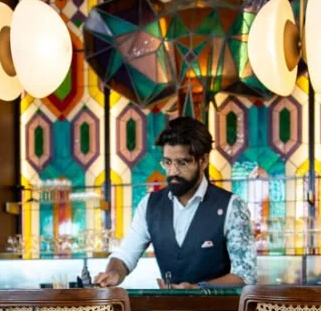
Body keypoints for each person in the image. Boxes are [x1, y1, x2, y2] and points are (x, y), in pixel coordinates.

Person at [94, 117, 257, 290]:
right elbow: (125, 255)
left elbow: (245, 275)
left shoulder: (232, 206)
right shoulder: (149, 205)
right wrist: (114, 273)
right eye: (168, 162)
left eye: (182, 162)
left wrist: (198, 288)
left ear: (203, 161)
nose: (173, 171)